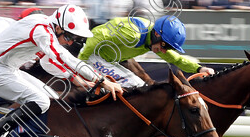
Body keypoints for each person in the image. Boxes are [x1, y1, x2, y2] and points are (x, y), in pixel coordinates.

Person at [0, 4, 122, 137]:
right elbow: (64, 57)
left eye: (74, 38)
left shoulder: (47, 26)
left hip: (7, 69)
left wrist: (75, 79)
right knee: (41, 101)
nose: (70, 42)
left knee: (53, 98)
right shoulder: (42, 31)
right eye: (69, 36)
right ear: (58, 28)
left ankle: (27, 136)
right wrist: (101, 80)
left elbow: (47, 61)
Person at [77, 15, 214, 88]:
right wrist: (80, 63)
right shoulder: (134, 34)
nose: (165, 51)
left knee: (140, 84)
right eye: (166, 46)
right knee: (135, 84)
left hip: (107, 58)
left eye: (169, 48)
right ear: (157, 35)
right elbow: (96, 35)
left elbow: (177, 59)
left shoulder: (155, 41)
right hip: (93, 55)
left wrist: (199, 68)